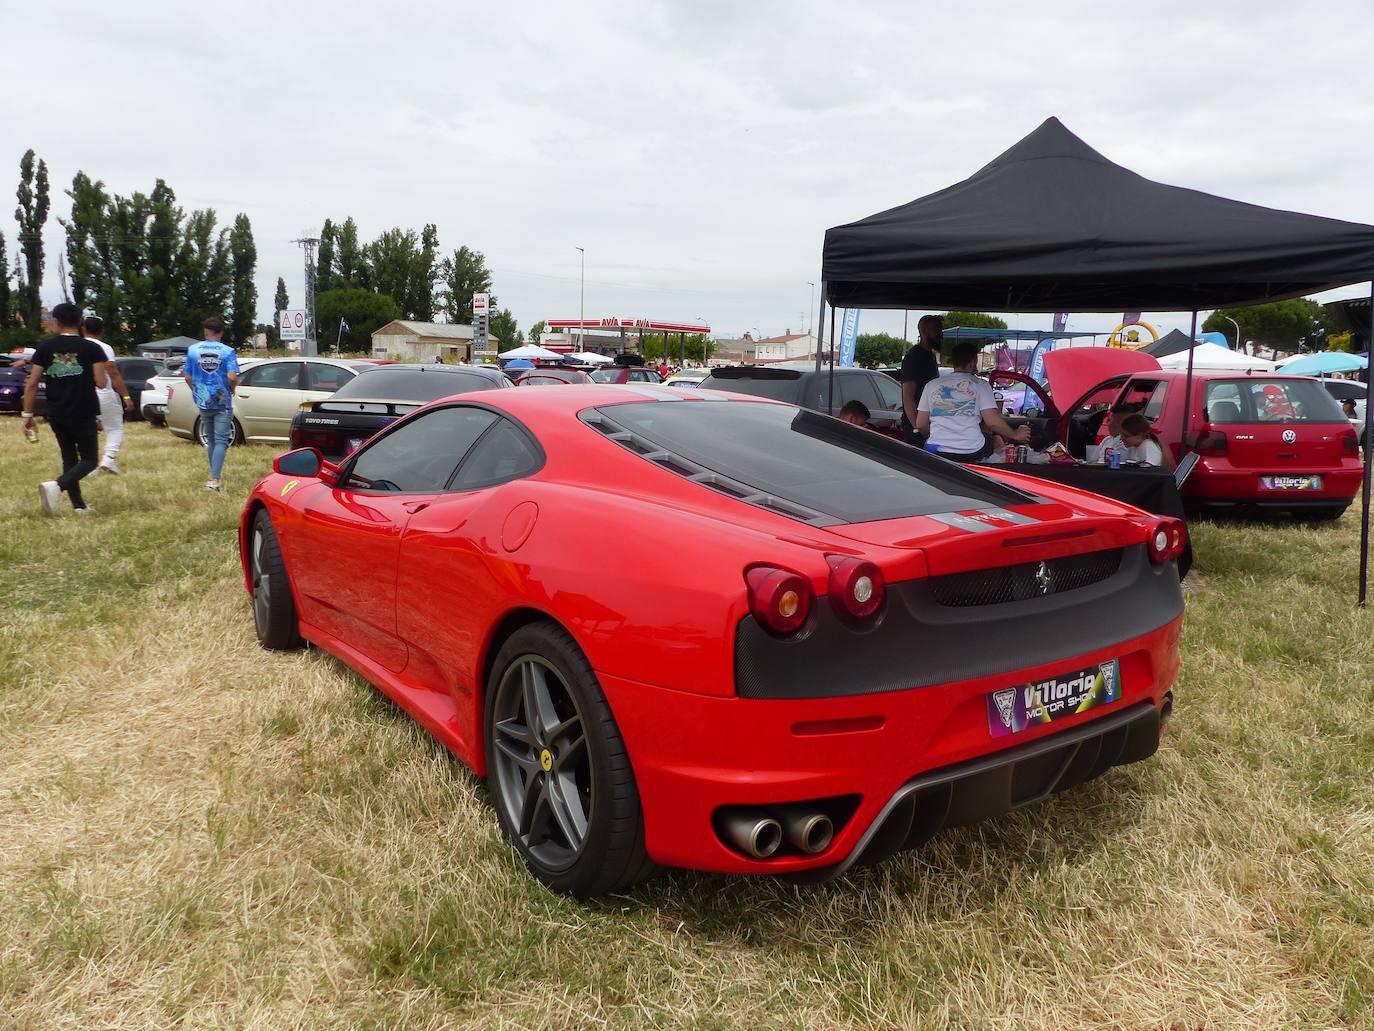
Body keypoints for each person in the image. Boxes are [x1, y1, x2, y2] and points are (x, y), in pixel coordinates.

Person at [20, 302, 109, 515]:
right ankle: (57, 486)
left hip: (57, 411)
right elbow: (101, 383)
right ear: (80, 322)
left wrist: (27, 414)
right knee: (89, 459)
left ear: (56, 322)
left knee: (69, 458)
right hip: (83, 409)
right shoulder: (92, 348)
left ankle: (79, 506)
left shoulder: (45, 348)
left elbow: (32, 383)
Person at [915, 342, 1030, 463]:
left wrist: (935, 436)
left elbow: (921, 424)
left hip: (936, 451)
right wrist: (1015, 434)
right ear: (972, 363)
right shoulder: (981, 385)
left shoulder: (931, 385)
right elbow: (992, 422)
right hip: (972, 450)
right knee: (996, 440)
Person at [184, 316, 240, 491]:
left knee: (211, 440)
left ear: (205, 332)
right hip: (222, 400)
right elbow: (232, 376)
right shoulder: (227, 351)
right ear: (220, 333)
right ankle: (214, 479)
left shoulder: (193, 350)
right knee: (222, 440)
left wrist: (196, 390)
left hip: (202, 400)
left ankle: (214, 474)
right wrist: (232, 389)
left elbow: (187, 376)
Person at [84, 315, 132, 475]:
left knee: (86, 431)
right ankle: (108, 459)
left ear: (83, 329)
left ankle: (87, 464)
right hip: (103, 393)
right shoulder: (104, 348)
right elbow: (113, 372)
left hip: (81, 394)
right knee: (114, 428)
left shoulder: (76, 346)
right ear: (102, 330)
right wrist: (126, 396)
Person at [900, 314, 944, 440]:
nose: (941, 334)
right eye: (937, 330)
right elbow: (908, 397)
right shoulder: (913, 357)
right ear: (924, 332)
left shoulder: (930, 355)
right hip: (917, 429)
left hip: (930, 424)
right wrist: (918, 429)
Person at [1103, 412, 1171, 468]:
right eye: (1121, 435)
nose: (1121, 438)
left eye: (1126, 436)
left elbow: (1149, 474)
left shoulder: (1148, 447)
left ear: (1140, 435)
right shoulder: (1134, 446)